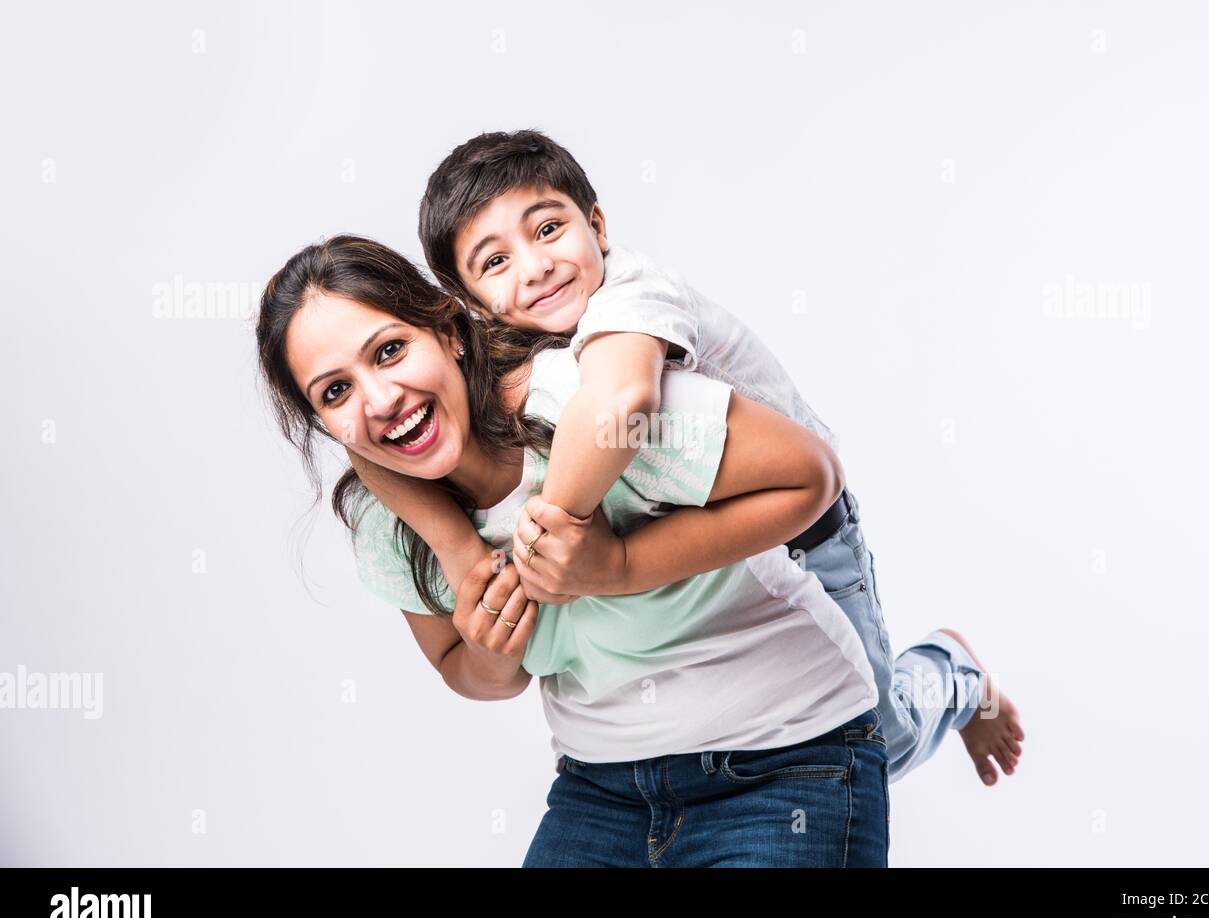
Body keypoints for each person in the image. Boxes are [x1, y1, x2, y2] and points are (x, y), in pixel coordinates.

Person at [374, 128, 1025, 787]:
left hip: (805, 527)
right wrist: (456, 547)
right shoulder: (491, 349)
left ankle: (951, 671)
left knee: (878, 738)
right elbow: (363, 450)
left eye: (547, 229)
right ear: (469, 305)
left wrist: (558, 532)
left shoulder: (631, 294)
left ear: (596, 225)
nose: (535, 266)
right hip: (709, 541)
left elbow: (620, 400)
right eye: (495, 262)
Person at [256, 234, 890, 866]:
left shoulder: (582, 405)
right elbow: (462, 667)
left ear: (449, 330)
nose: (381, 399)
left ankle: (949, 681)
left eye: (390, 351)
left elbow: (810, 475)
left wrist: (617, 566)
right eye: (335, 392)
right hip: (601, 788)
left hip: (785, 761)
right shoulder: (388, 518)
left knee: (902, 724)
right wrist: (491, 653)